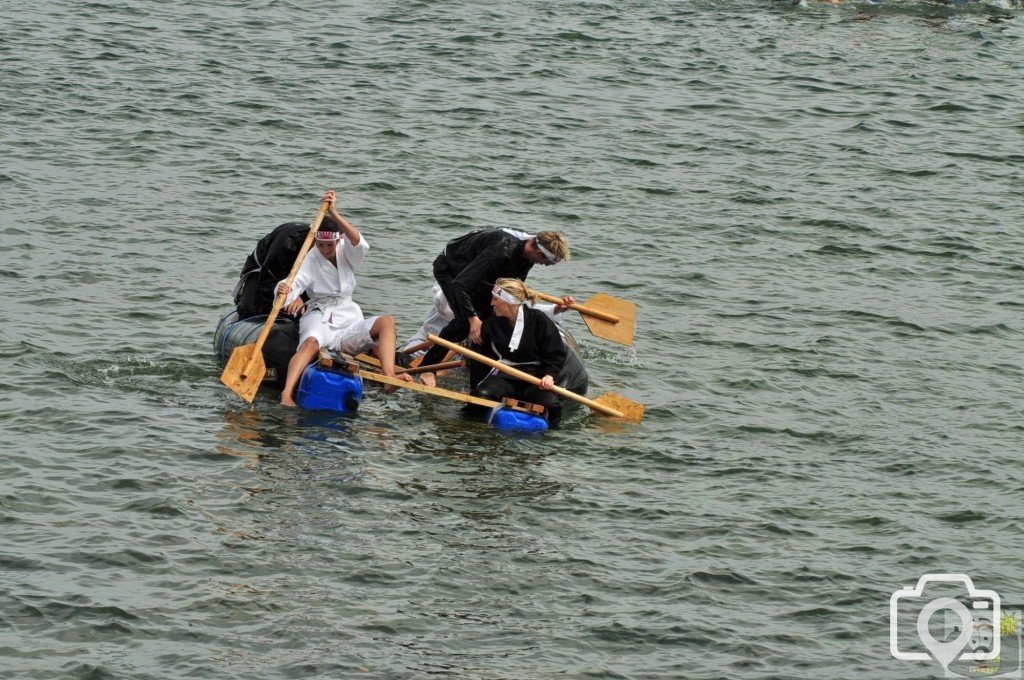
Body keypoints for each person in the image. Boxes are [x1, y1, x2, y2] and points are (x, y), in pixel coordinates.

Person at [276, 190, 412, 406]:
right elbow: (297, 281)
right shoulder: (311, 259)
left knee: (387, 321)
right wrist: (285, 289)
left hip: (348, 317)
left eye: (330, 245)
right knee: (311, 342)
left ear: (338, 241)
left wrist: (335, 213)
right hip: (320, 316)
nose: (325, 249)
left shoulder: (345, 252)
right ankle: (286, 394)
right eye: (321, 245)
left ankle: (389, 377)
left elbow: (359, 243)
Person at [415, 228, 572, 387]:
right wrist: (473, 319)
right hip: (451, 270)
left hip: (479, 278)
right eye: (547, 261)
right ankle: (427, 367)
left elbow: (513, 294)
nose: (545, 266)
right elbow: (460, 286)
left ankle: (477, 360)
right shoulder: (500, 251)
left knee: (492, 315)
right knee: (464, 322)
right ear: (536, 249)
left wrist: (554, 309)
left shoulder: (528, 258)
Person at [465, 278, 567, 426]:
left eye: (495, 299)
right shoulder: (491, 324)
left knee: (552, 405)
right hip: (505, 376)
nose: (491, 303)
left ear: (509, 301)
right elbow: (480, 359)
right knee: (480, 396)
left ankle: (551, 435)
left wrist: (549, 375)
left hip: (535, 378)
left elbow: (555, 352)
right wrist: (476, 387)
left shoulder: (539, 320)